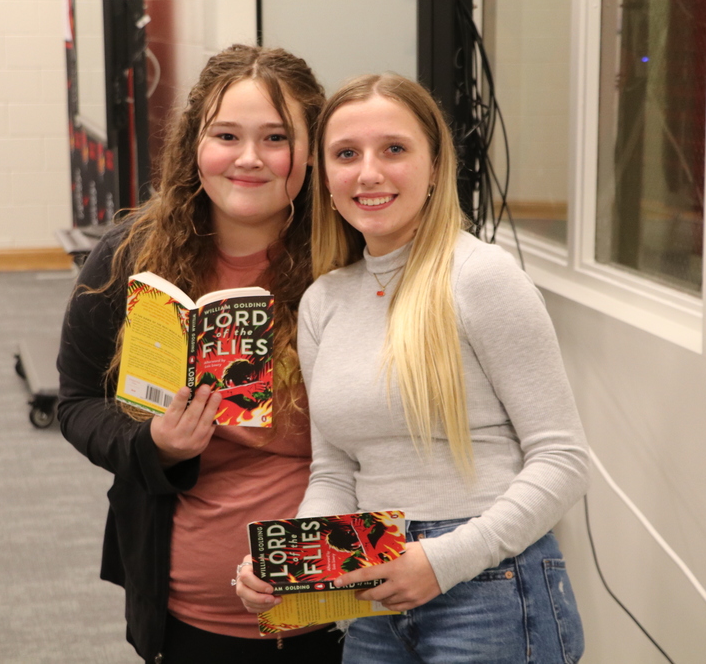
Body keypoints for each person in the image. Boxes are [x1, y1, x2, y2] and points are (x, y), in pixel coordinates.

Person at [236, 73, 591, 663]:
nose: (368, 172)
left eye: (394, 149)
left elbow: (564, 461)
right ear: (325, 178)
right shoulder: (325, 300)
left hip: (491, 587)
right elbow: (334, 472)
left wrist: (440, 561)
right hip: (375, 589)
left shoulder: (480, 276)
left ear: (434, 167)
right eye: (346, 154)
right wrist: (290, 565)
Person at [57, 44, 343, 663]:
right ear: (195, 144)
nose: (248, 158)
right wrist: (153, 444)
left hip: (336, 608)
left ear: (311, 150)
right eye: (226, 135)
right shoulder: (131, 255)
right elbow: (77, 403)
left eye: (275, 137)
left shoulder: (346, 258)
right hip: (186, 618)